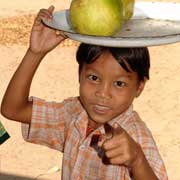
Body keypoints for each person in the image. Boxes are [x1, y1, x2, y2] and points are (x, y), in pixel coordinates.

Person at [0, 5, 168, 180]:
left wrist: (137, 160)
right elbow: (12, 109)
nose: (103, 93)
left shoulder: (136, 139)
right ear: (79, 75)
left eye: (119, 83)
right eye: (94, 78)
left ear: (139, 87)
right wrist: (36, 53)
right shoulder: (74, 114)